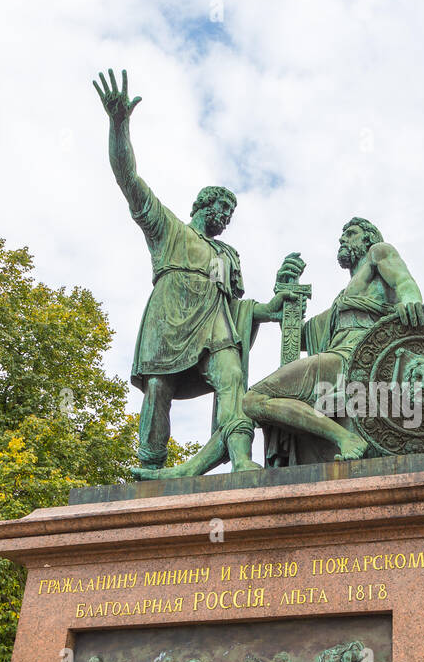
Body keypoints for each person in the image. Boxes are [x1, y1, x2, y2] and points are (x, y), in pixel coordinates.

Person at [93, 68, 302, 478]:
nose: (225, 217)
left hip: (216, 327)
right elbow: (128, 179)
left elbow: (239, 307)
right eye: (220, 209)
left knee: (233, 379)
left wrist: (271, 307)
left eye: (230, 213)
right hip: (169, 321)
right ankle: (149, 468)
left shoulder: (227, 254)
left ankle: (240, 457)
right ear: (201, 206)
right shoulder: (167, 229)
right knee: (158, 389)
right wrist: (119, 124)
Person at [243, 217, 424, 463]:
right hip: (338, 357)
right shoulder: (342, 300)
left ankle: (346, 438)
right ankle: (343, 436)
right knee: (253, 402)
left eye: (351, 233)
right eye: (343, 235)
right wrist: (286, 294)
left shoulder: (378, 252)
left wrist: (410, 300)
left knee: (254, 399)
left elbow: (404, 282)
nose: (342, 239)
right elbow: (298, 339)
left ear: (368, 238)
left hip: (357, 357)